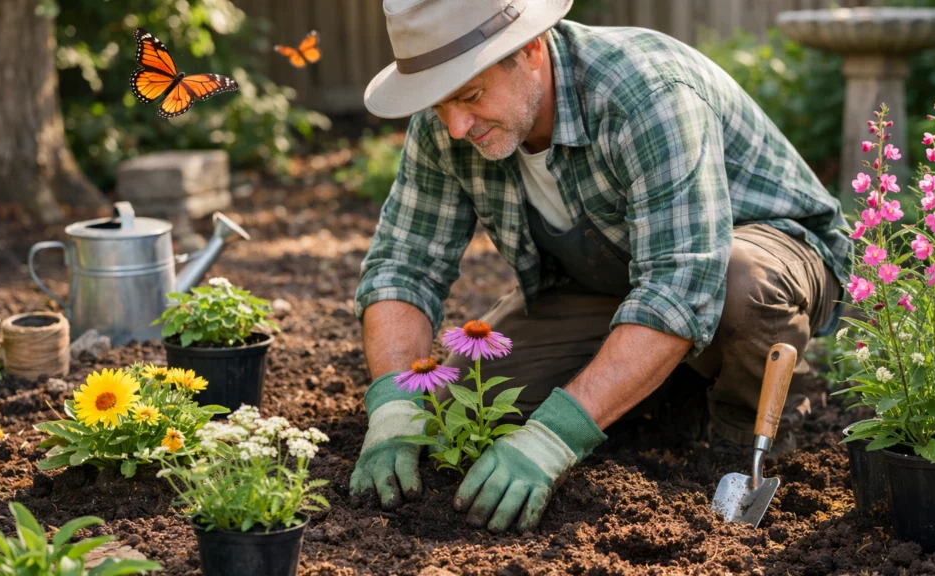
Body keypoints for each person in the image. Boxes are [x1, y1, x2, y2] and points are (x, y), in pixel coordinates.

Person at [349, 0, 850, 533]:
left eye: (470, 96)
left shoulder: (647, 93)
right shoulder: (447, 127)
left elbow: (681, 284)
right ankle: (667, 389)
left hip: (757, 256)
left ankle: (732, 437)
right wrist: (395, 408)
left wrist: (554, 438)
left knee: (743, 284)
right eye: (439, 105)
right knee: (462, 407)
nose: (455, 127)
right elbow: (404, 266)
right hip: (614, 277)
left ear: (532, 49)